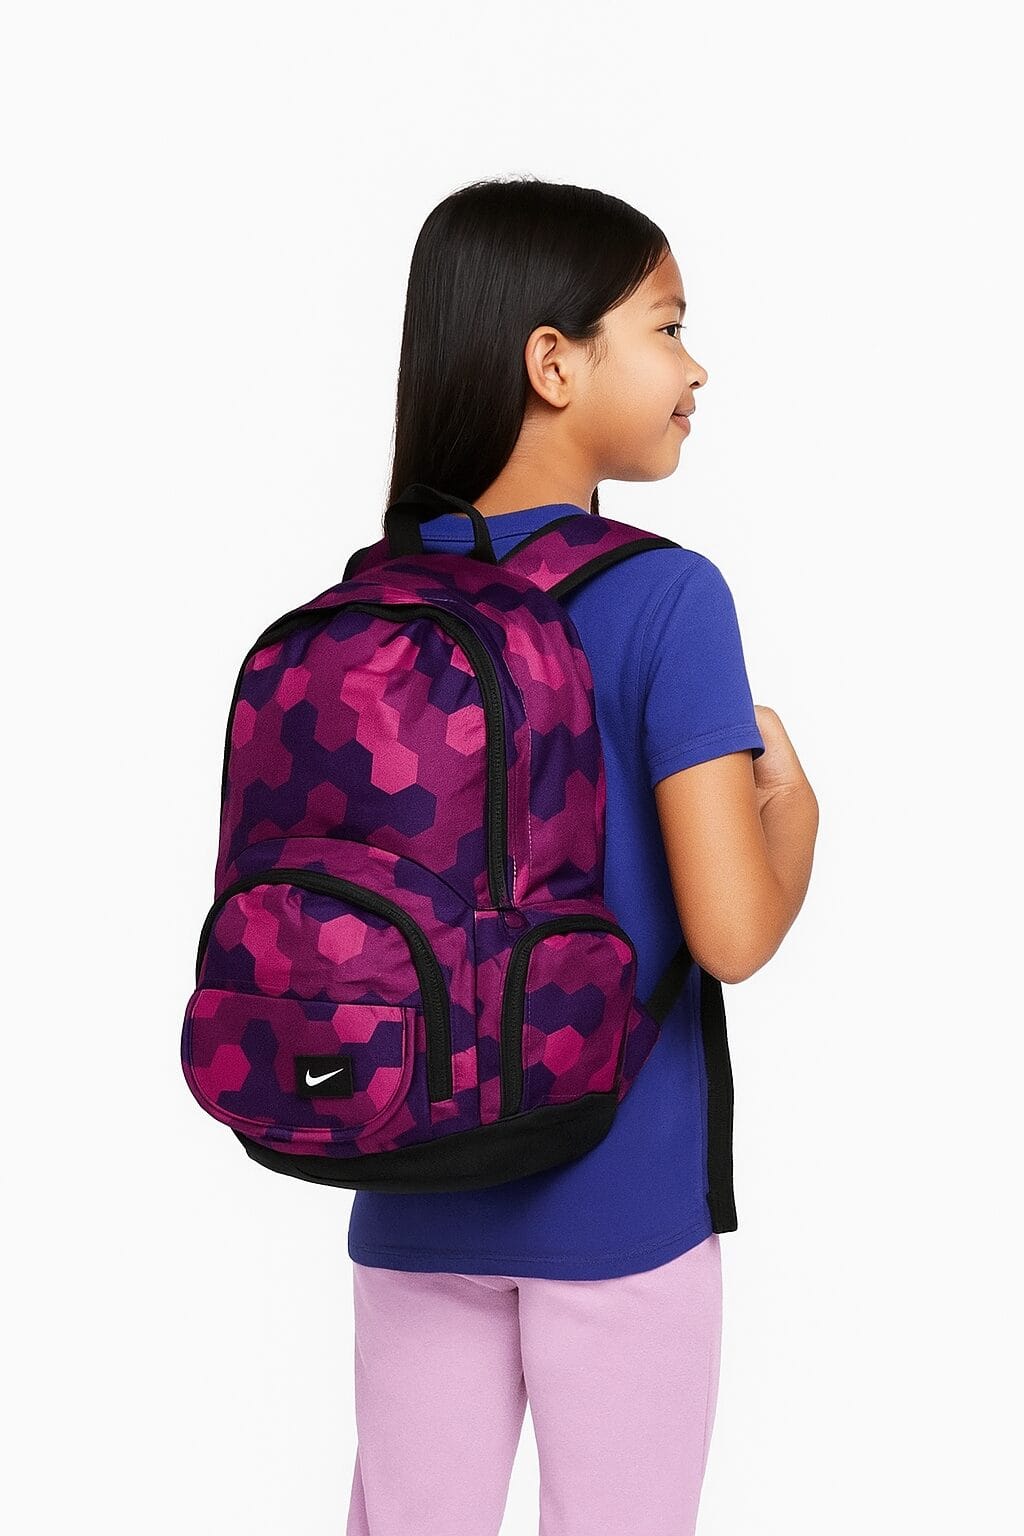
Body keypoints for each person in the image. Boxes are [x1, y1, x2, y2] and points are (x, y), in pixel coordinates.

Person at [344, 176, 819, 1536]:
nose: (695, 367)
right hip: (621, 1202)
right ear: (554, 362)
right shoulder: (670, 597)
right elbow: (732, 933)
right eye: (666, 327)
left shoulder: (375, 593)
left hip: (406, 1184)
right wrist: (796, 813)